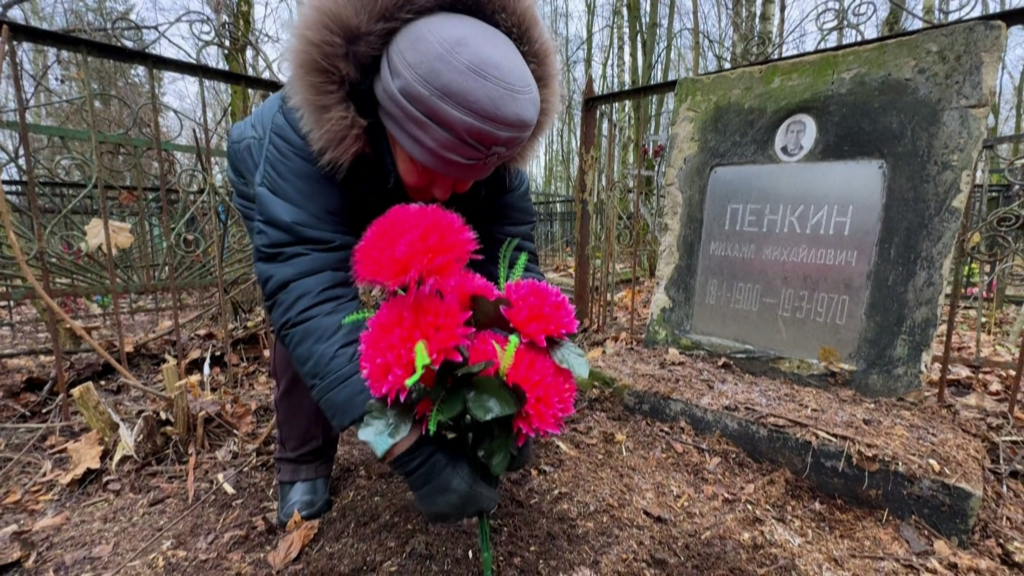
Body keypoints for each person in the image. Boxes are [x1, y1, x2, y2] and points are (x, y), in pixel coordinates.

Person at [225, 0, 560, 527]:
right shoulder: (298, 137)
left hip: (384, 171)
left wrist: (514, 394)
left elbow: (513, 269)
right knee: (305, 324)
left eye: (467, 174)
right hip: (303, 176)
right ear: (390, 115)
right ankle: (302, 463)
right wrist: (408, 451)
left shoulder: (493, 130)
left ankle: (430, 403)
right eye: (435, 166)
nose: (449, 191)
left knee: (451, 292)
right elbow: (308, 291)